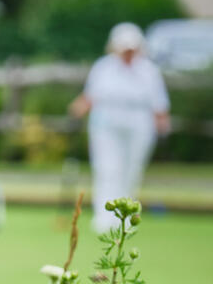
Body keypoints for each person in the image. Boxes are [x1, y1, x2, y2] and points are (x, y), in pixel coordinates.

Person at [70, 22, 170, 232]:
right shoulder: (103, 67)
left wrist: (162, 123)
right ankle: (104, 218)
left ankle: (126, 218)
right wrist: (78, 109)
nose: (128, 52)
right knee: (107, 169)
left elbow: (159, 102)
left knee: (131, 170)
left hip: (139, 124)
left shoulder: (149, 71)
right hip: (106, 123)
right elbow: (91, 95)